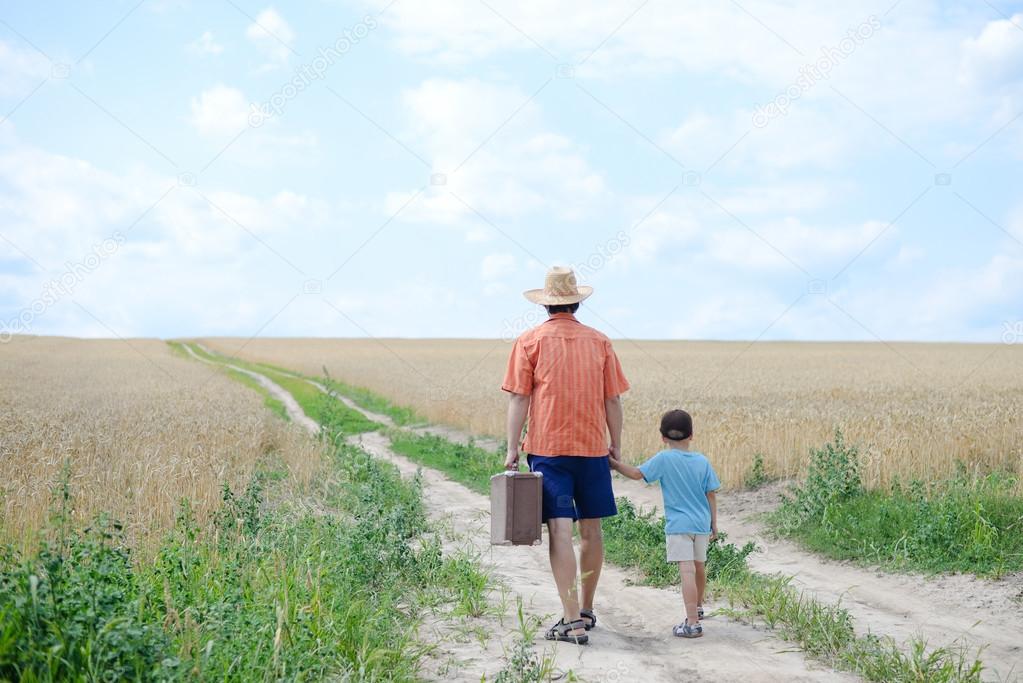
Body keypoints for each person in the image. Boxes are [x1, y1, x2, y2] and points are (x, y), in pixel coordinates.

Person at [502, 266, 630, 645]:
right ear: (577, 302)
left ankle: (571, 621)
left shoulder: (529, 341)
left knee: (560, 529)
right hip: (591, 449)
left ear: (545, 304)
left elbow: (519, 397)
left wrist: (512, 447)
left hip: (548, 450)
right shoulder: (601, 342)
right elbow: (613, 399)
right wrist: (615, 443)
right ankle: (587, 611)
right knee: (592, 530)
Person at [609, 409, 720, 638]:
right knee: (699, 566)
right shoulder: (702, 461)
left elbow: (638, 474)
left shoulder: (664, 458)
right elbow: (711, 494)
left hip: (679, 525)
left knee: (686, 570)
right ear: (692, 435)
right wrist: (714, 524)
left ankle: (691, 623)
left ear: (663, 437)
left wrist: (614, 464)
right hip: (701, 523)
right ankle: (698, 607)